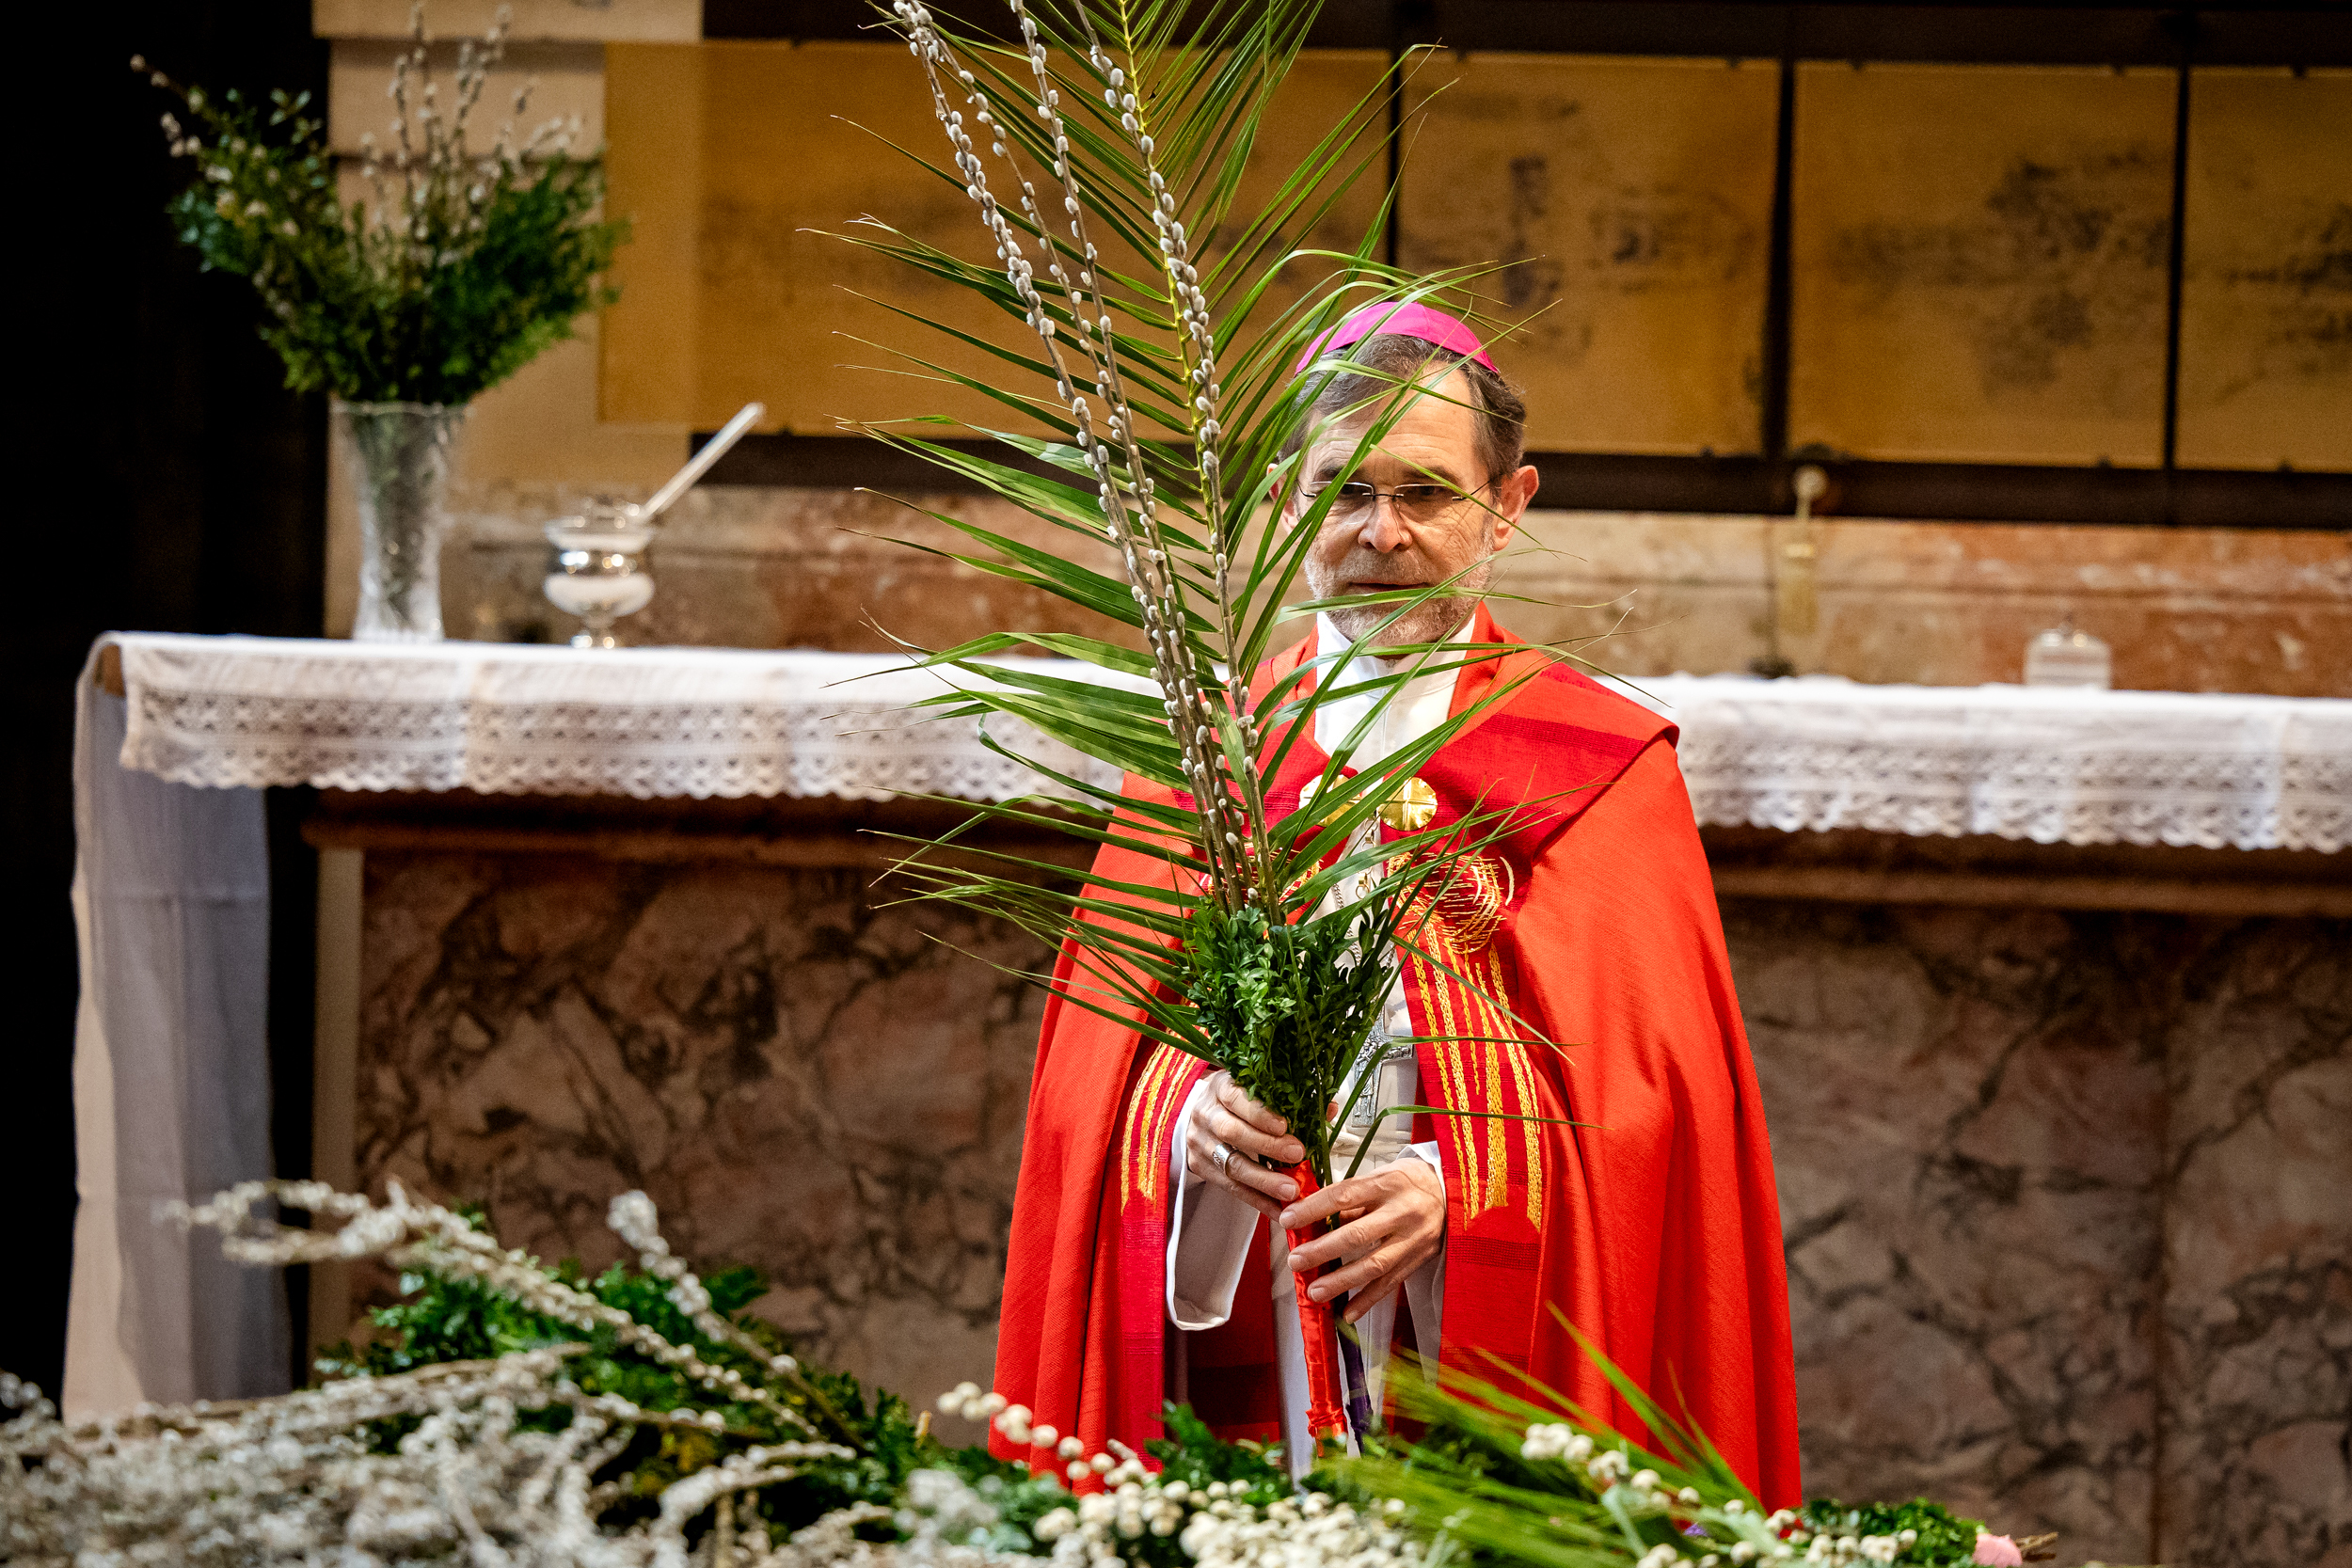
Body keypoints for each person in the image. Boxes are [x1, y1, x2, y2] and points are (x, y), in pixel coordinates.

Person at [989, 302, 1802, 1508]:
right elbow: (1084, 1085)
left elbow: (1658, 1115)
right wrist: (1184, 1121)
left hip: (1495, 1337)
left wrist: (1459, 1184)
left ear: (1507, 504)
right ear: (1285, 501)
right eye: (1343, 490)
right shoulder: (1205, 758)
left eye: (1425, 492)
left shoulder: (1596, 767)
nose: (1381, 531)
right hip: (1252, 1313)